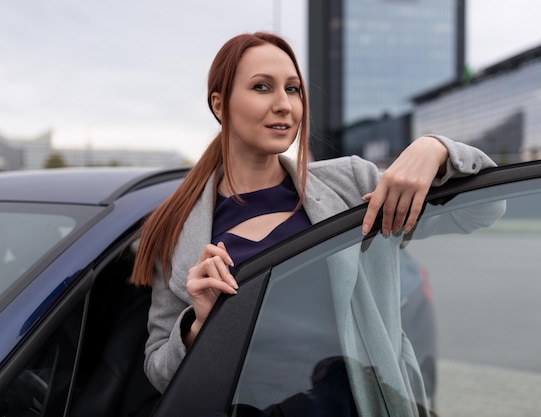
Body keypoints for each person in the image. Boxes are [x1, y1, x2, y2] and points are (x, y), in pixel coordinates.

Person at [130, 32, 496, 396]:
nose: (284, 105)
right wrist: (200, 325)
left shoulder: (351, 184)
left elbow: (483, 210)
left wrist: (436, 149)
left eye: (292, 89)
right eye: (261, 87)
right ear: (220, 104)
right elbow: (159, 372)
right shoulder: (174, 226)